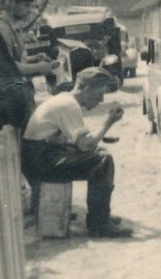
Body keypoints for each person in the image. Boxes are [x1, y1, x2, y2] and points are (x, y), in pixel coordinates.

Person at [20, 66, 132, 237]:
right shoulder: (69, 105)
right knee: (103, 160)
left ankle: (101, 213)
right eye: (99, 94)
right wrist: (108, 123)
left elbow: (81, 143)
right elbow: (85, 146)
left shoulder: (64, 100)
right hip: (40, 161)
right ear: (86, 89)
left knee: (98, 153)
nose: (100, 100)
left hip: (36, 157)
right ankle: (99, 224)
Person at [0, 0, 62, 80]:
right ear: (13, 3)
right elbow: (8, 66)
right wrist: (39, 67)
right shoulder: (3, 27)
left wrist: (35, 58)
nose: (29, 10)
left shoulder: (11, 25)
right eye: (26, 5)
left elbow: (15, 59)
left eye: (30, 6)